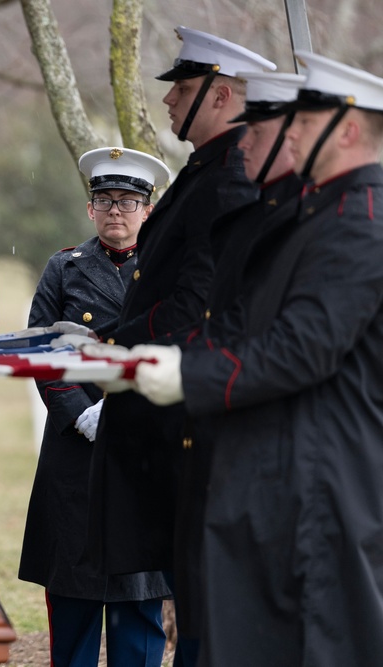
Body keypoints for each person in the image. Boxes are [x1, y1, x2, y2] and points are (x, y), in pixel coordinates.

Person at [130, 52, 383, 666]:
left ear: (346, 130)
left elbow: (304, 346)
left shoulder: (361, 223)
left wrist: (189, 374)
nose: (289, 133)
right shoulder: (326, 213)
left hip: (325, 483)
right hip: (286, 473)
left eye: (301, 122)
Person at [84, 24, 274, 640]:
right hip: (182, 408)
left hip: (196, 414)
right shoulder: (210, 168)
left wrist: (118, 345)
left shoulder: (230, 174)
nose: (167, 99)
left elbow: (198, 302)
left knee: (206, 607)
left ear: (222, 95)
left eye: (183, 87)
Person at [166, 69, 305, 661]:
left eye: (257, 131)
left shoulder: (341, 225)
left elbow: (294, 346)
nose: (242, 143)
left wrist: (171, 370)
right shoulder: (265, 205)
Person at [19, 147, 171, 667]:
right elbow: (39, 351)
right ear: (90, 209)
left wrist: (139, 412)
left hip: (145, 448)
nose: (115, 211)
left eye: (128, 202)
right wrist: (82, 413)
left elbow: (184, 347)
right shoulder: (64, 269)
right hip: (75, 451)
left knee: (140, 596)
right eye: (104, 200)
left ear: (148, 210)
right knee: (74, 594)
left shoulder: (170, 270)